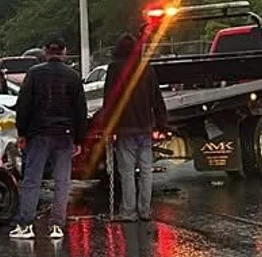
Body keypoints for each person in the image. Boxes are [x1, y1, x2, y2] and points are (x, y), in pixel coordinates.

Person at [11, 36, 87, 240]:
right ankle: (57, 226)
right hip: (65, 135)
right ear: (64, 52)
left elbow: (24, 105)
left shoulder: (34, 74)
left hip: (39, 133)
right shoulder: (73, 76)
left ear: (45, 51)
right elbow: (80, 110)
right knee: (62, 182)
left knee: (32, 180)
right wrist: (79, 139)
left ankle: (26, 224)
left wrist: (22, 132)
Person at [101, 32, 168, 221]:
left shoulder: (114, 68)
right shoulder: (146, 68)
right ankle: (145, 210)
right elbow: (157, 99)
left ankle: (128, 211)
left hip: (125, 128)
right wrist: (162, 123)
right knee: (146, 170)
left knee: (127, 171)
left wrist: (107, 126)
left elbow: (110, 99)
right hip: (145, 127)